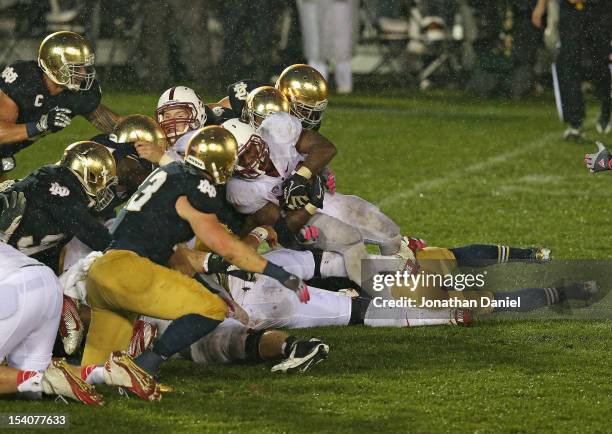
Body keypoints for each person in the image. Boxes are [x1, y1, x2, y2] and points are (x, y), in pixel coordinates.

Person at [81, 126, 310, 385]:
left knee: (91, 375)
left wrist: (210, 288)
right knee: (212, 309)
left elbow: (175, 257)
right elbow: (226, 246)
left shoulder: (168, 174)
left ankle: (41, 382)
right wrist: (280, 274)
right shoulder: (197, 185)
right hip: (131, 272)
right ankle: (146, 366)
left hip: (103, 272)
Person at [0, 31, 122, 179]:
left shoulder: (77, 92)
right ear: (55, 66)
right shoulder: (24, 81)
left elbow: (116, 127)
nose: (83, 74)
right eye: (76, 68)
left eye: (85, 67)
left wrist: (146, 134)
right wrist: (39, 126)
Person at [532, 0, 612, 139]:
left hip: (599, 7)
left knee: (600, 60)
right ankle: (575, 123)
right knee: (567, 60)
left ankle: (607, 106)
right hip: (570, 8)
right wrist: (541, 5)